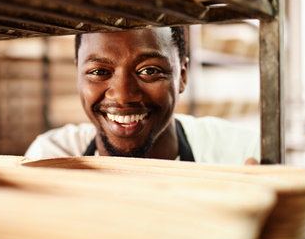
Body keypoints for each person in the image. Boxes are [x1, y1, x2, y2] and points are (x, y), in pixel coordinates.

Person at [25, 27, 259, 165]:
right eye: (99, 72)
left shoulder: (238, 154)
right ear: (78, 74)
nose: (123, 96)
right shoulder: (51, 157)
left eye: (149, 71)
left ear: (182, 77)